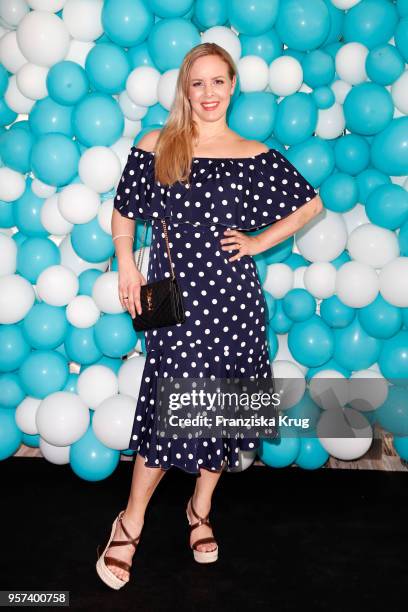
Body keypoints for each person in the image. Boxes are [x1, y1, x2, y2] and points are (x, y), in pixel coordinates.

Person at [96, 42, 323, 589]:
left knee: (222, 411)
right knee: (170, 408)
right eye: (197, 83)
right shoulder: (159, 143)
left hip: (235, 303)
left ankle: (200, 510)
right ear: (185, 88)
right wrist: (127, 265)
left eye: (218, 81)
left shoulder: (251, 152)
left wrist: (257, 241)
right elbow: (124, 213)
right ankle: (129, 524)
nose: (208, 93)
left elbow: (311, 205)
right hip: (174, 301)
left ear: (232, 85)